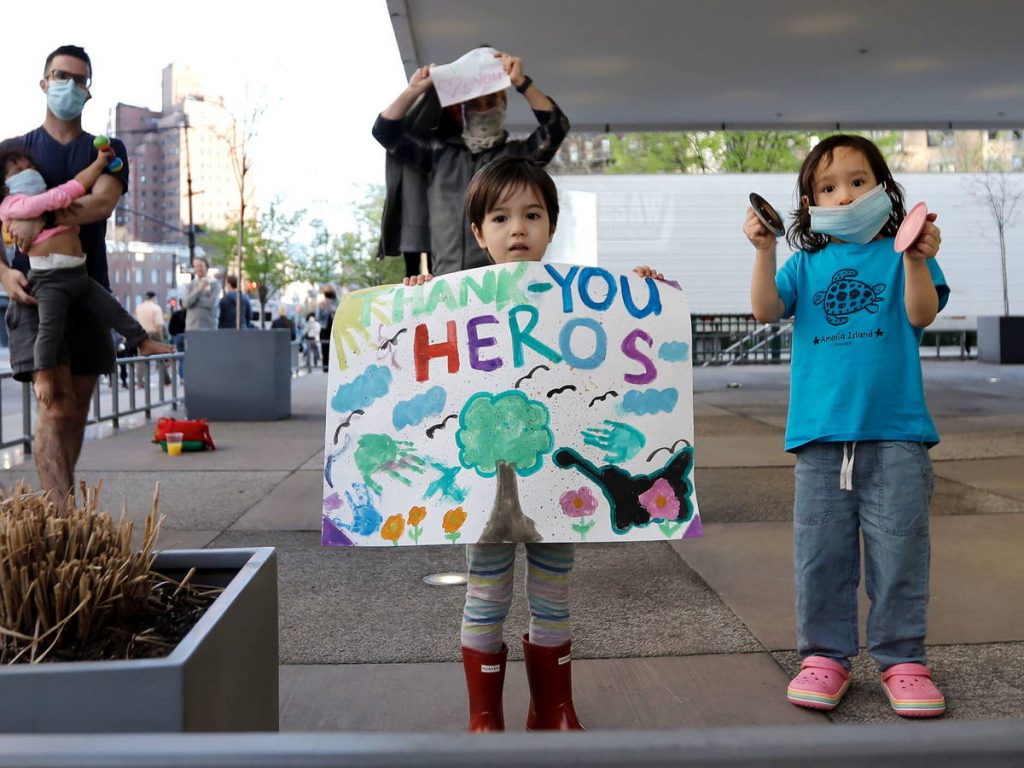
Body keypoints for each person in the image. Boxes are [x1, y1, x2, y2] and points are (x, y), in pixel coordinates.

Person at [404, 156, 665, 732]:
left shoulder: (584, 297)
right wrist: (415, 299)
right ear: (478, 232)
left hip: (560, 486)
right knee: (485, 595)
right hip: (486, 487)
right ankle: (484, 716)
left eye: (531, 214)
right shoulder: (452, 299)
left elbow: (623, 351)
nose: (516, 228)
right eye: (499, 217)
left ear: (551, 225)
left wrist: (648, 297)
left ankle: (553, 709)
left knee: (553, 594)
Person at [744, 134, 949, 718]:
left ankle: (903, 658)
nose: (845, 194)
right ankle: (825, 656)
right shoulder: (805, 263)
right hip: (820, 438)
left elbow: (921, 314)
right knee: (820, 552)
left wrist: (913, 258)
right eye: (827, 187)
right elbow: (764, 311)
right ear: (810, 205)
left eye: (858, 181)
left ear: (884, 187)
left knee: (901, 551)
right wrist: (763, 250)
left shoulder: (906, 252)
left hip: (898, 433)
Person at [0, 45, 139, 498]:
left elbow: (101, 203)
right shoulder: (12, 153)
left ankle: (61, 509)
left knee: (77, 408)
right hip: (35, 295)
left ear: (88, 91)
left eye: (80, 80)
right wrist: (4, 276)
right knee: (54, 407)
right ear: (44, 83)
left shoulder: (107, 149)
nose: (70, 86)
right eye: (62, 76)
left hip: (91, 290)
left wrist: (34, 215)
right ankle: (61, 515)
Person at [373, 49, 569, 277]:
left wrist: (522, 83)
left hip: (505, 280)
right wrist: (415, 90)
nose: (484, 108)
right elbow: (385, 131)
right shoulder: (439, 155)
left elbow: (555, 128)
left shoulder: (518, 157)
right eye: (475, 102)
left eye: (491, 99)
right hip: (447, 281)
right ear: (462, 108)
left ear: (504, 103)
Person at [0, 146, 172, 404]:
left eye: (30, 168)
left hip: (78, 272)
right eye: (19, 171)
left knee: (112, 309)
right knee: (50, 330)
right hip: (49, 280)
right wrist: (70, 193)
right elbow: (66, 193)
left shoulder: (46, 195)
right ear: (5, 186)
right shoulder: (12, 204)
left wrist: (100, 162)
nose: (28, 173)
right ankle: (44, 374)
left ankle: (142, 340)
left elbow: (73, 189)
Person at [133, 291, 171, 387]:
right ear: (154, 298)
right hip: (153, 333)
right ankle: (165, 380)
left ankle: (140, 382)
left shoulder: (139, 308)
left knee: (141, 358)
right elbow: (159, 325)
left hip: (141, 334)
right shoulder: (156, 308)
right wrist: (161, 338)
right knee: (160, 357)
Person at [183, 255, 220, 331]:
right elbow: (186, 303)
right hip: (192, 327)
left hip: (209, 327)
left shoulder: (215, 284)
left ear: (207, 266)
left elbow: (212, 303)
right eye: (196, 266)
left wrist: (194, 301)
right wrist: (199, 289)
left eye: (200, 266)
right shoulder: (190, 285)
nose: (198, 268)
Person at [317, 288, 336, 373]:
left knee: (331, 350)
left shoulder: (334, 304)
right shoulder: (321, 306)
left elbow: (336, 314)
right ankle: (325, 368)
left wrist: (331, 309)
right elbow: (318, 317)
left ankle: (331, 368)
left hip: (332, 330)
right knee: (324, 349)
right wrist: (323, 309)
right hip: (324, 330)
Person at [168, 302, 187, 380]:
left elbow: (170, 328)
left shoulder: (175, 314)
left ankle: (182, 377)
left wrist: (174, 335)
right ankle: (186, 376)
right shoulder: (190, 314)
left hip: (178, 336)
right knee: (188, 357)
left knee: (181, 358)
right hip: (188, 336)